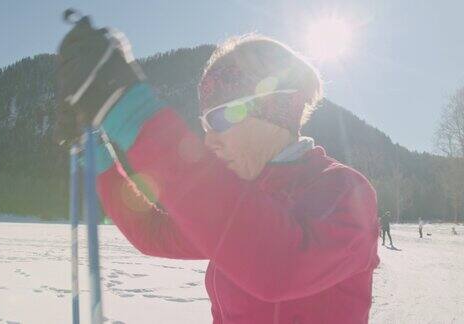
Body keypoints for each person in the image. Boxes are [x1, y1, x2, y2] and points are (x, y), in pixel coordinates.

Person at [55, 16, 380, 324]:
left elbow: (280, 267)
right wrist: (98, 156)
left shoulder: (344, 191)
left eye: (221, 119)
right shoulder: (241, 195)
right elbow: (153, 231)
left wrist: (129, 111)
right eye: (204, 124)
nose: (209, 141)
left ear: (276, 111)